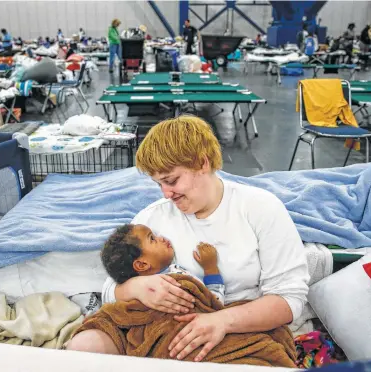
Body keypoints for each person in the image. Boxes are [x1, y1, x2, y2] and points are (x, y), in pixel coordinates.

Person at [67, 115, 309, 361]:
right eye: (159, 184)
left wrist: (221, 321)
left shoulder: (261, 208)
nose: (166, 193)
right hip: (158, 326)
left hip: (236, 323)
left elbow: (289, 299)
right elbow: (110, 288)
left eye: (171, 181)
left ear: (202, 164)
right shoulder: (152, 218)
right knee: (83, 347)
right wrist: (136, 287)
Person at [101, 224, 225, 304]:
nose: (161, 238)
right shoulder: (176, 281)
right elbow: (214, 304)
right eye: (152, 239)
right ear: (142, 265)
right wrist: (211, 268)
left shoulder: (126, 296)